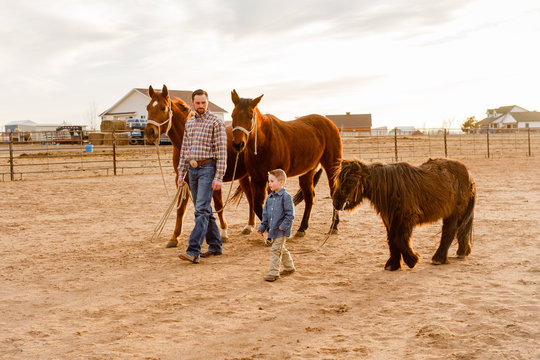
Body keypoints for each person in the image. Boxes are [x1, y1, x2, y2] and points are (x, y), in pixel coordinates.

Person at [177, 89, 227, 263]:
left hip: (207, 168)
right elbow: (184, 150)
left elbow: (221, 152)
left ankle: (193, 250)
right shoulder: (189, 123)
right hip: (192, 170)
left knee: (201, 210)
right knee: (204, 210)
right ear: (193, 103)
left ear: (208, 102)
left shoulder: (216, 122)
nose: (200, 106)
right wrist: (180, 173)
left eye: (203, 102)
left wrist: (219, 176)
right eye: (197, 103)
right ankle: (215, 245)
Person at [257, 169, 296, 282]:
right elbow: (266, 216)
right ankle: (289, 267)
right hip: (272, 230)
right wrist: (262, 227)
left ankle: (274, 273)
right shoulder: (269, 198)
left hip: (281, 230)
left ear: (281, 182)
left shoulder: (286, 197)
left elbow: (290, 215)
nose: (269, 184)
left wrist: (283, 226)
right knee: (280, 249)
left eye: (272, 181)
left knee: (275, 250)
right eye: (269, 181)